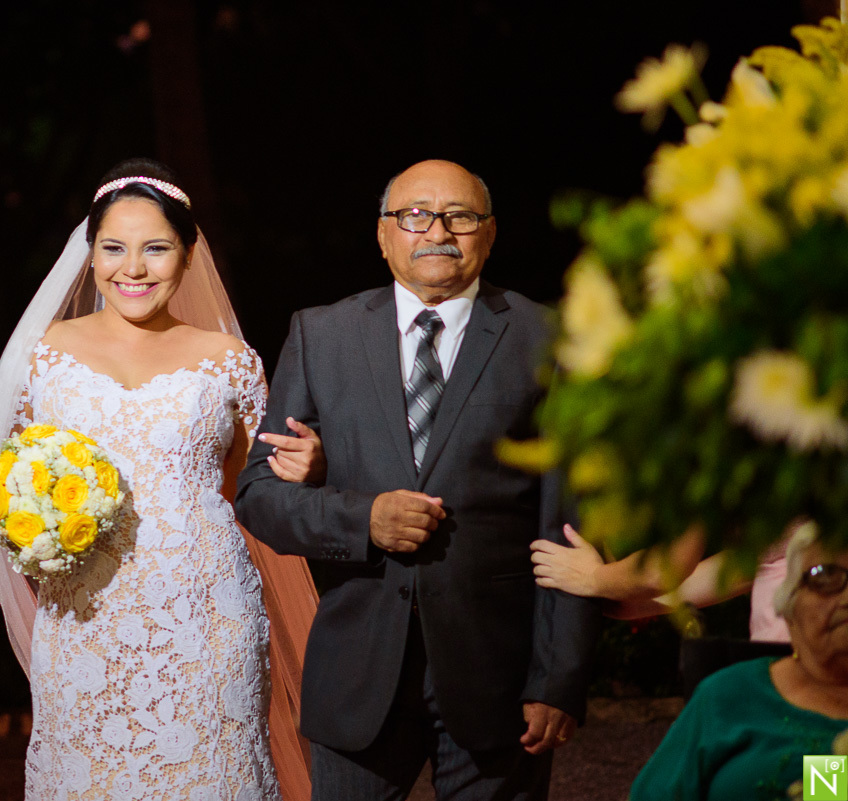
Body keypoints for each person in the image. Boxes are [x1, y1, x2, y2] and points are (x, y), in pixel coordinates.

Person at [235, 159, 600, 801]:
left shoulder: (547, 339)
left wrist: (558, 678)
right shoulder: (322, 335)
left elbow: (568, 524)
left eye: (460, 217)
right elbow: (261, 496)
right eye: (414, 216)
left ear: (489, 234)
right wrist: (363, 520)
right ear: (383, 235)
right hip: (357, 675)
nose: (437, 231)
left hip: (498, 678)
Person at [0, 159, 320, 800]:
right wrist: (42, 542)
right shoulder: (43, 357)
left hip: (208, 616)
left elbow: (258, 489)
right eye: (114, 248)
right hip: (85, 617)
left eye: (156, 248)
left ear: (188, 255)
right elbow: (5, 484)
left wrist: (307, 468)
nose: (133, 269)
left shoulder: (228, 361)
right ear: (91, 254)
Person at [630, 523, 848, 800]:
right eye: (825, 576)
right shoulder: (728, 697)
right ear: (788, 604)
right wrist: (602, 586)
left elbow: (824, 787)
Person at [531, 522, 794, 641]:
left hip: (821, 694)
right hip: (786, 693)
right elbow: (753, 567)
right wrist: (626, 600)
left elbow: (666, 567)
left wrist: (594, 577)